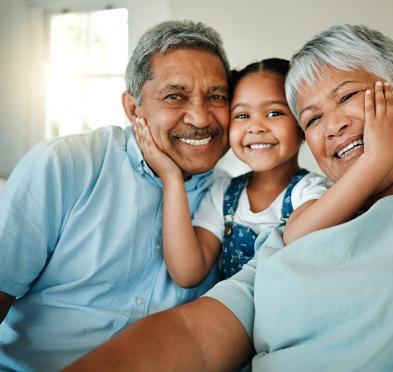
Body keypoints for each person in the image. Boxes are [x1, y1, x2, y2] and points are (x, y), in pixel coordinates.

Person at [67, 24, 393, 371]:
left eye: (347, 97)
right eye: (313, 117)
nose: (333, 125)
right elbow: (194, 336)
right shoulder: (292, 233)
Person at [0, 20, 232, 370]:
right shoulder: (64, 165)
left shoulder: (232, 197)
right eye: (175, 96)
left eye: (216, 96)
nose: (200, 117)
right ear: (133, 108)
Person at [131, 57, 393, 287]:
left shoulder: (314, 191)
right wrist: (171, 178)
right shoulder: (223, 195)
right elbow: (187, 273)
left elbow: (299, 231)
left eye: (274, 113)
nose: (256, 127)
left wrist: (376, 158)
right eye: (242, 116)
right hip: (232, 329)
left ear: (303, 126)